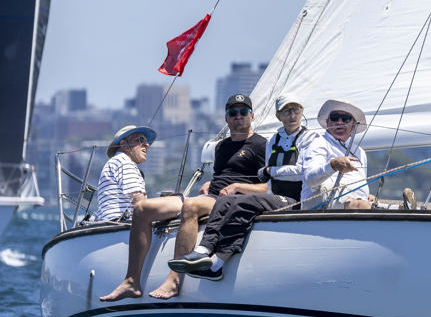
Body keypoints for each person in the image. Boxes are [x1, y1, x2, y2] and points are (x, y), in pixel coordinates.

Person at [99, 94, 267, 302]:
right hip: (214, 196)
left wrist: (238, 187)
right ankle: (131, 281)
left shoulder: (262, 145)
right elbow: (221, 176)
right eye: (233, 113)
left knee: (191, 205)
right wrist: (209, 184)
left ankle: (174, 280)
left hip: (234, 199)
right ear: (226, 118)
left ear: (252, 115)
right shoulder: (221, 147)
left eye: (243, 112)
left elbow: (268, 187)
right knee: (141, 209)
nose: (238, 116)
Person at [167, 94, 315, 280]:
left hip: (295, 199)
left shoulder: (310, 138)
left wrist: (273, 171)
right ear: (279, 116)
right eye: (286, 111)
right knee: (227, 201)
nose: (292, 115)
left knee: (243, 203)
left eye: (296, 110)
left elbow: (306, 172)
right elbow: (266, 177)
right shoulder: (275, 140)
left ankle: (217, 265)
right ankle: (203, 249)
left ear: (302, 112)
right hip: (274, 195)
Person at [299, 99, 372, 210]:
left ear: (353, 126)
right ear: (327, 122)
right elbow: (309, 179)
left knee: (389, 207)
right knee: (362, 206)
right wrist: (333, 165)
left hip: (353, 202)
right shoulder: (318, 143)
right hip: (320, 203)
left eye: (345, 119)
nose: (339, 122)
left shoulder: (359, 151)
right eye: (334, 117)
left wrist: (364, 196)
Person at [95, 124, 156, 222]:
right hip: (119, 225)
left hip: (110, 224)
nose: (147, 145)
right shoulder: (123, 161)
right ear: (124, 145)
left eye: (146, 141)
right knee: (181, 204)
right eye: (140, 140)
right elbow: (140, 203)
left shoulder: (117, 161)